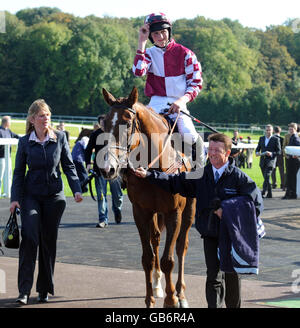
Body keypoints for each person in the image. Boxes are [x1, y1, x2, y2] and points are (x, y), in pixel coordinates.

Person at [134, 133, 263, 308]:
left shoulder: (239, 178)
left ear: (228, 152)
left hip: (232, 236)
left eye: (217, 150)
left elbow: (255, 205)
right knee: (213, 277)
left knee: (232, 277)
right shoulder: (201, 175)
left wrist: (228, 210)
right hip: (210, 234)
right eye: (210, 149)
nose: (212, 153)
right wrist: (149, 175)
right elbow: (175, 181)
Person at [10, 99, 83, 305]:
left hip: (54, 197)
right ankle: (24, 290)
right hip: (30, 196)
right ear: (32, 119)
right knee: (30, 237)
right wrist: (15, 198)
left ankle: (44, 289)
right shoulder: (25, 142)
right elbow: (18, 173)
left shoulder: (59, 138)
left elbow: (69, 166)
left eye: (48, 115)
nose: (46, 119)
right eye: (41, 115)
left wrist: (76, 189)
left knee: (48, 242)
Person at [132, 13, 204, 167]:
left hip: (179, 102)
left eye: (163, 32)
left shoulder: (186, 53)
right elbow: (138, 71)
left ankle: (201, 176)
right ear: (150, 36)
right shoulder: (149, 54)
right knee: (135, 133)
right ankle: (126, 175)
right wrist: (141, 42)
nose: (160, 36)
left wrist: (181, 100)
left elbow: (196, 83)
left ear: (169, 31)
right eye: (155, 33)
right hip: (156, 103)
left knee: (190, 136)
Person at [85, 115, 123, 228]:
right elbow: (88, 150)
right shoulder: (95, 135)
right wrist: (87, 163)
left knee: (117, 195)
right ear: (99, 124)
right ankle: (103, 219)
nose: (104, 125)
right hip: (99, 170)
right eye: (102, 123)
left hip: (114, 171)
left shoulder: (114, 135)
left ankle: (117, 209)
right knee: (101, 195)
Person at [255, 124, 281, 199]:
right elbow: (258, 148)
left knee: (267, 176)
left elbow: (279, 152)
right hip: (262, 161)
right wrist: (257, 152)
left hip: (271, 161)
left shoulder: (276, 139)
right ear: (265, 131)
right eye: (267, 130)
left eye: (269, 130)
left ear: (272, 131)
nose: (268, 131)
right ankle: (270, 194)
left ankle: (263, 192)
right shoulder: (261, 138)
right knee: (267, 179)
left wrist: (272, 153)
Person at [0, 116, 19, 197]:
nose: (10, 123)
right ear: (6, 122)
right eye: (9, 121)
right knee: (0, 176)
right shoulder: (0, 131)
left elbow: (17, 136)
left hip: (8, 158)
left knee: (9, 176)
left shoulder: (8, 131)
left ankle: (8, 193)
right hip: (1, 158)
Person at [282, 123, 300, 199]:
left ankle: (292, 194)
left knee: (291, 177)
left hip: (293, 161)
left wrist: (297, 155)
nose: (290, 130)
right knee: (291, 177)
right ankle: (291, 193)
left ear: (295, 129)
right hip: (291, 160)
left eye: (292, 129)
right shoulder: (293, 136)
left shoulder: (295, 137)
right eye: (289, 129)